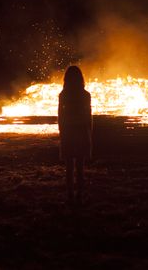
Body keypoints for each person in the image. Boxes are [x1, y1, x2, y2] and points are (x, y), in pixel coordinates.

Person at [58, 66, 92, 205]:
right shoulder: (85, 95)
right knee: (79, 166)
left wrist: (61, 131)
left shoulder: (63, 94)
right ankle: (79, 195)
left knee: (69, 168)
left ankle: (70, 194)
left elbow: (60, 115)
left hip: (68, 131)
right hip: (81, 130)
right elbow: (88, 116)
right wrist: (89, 133)